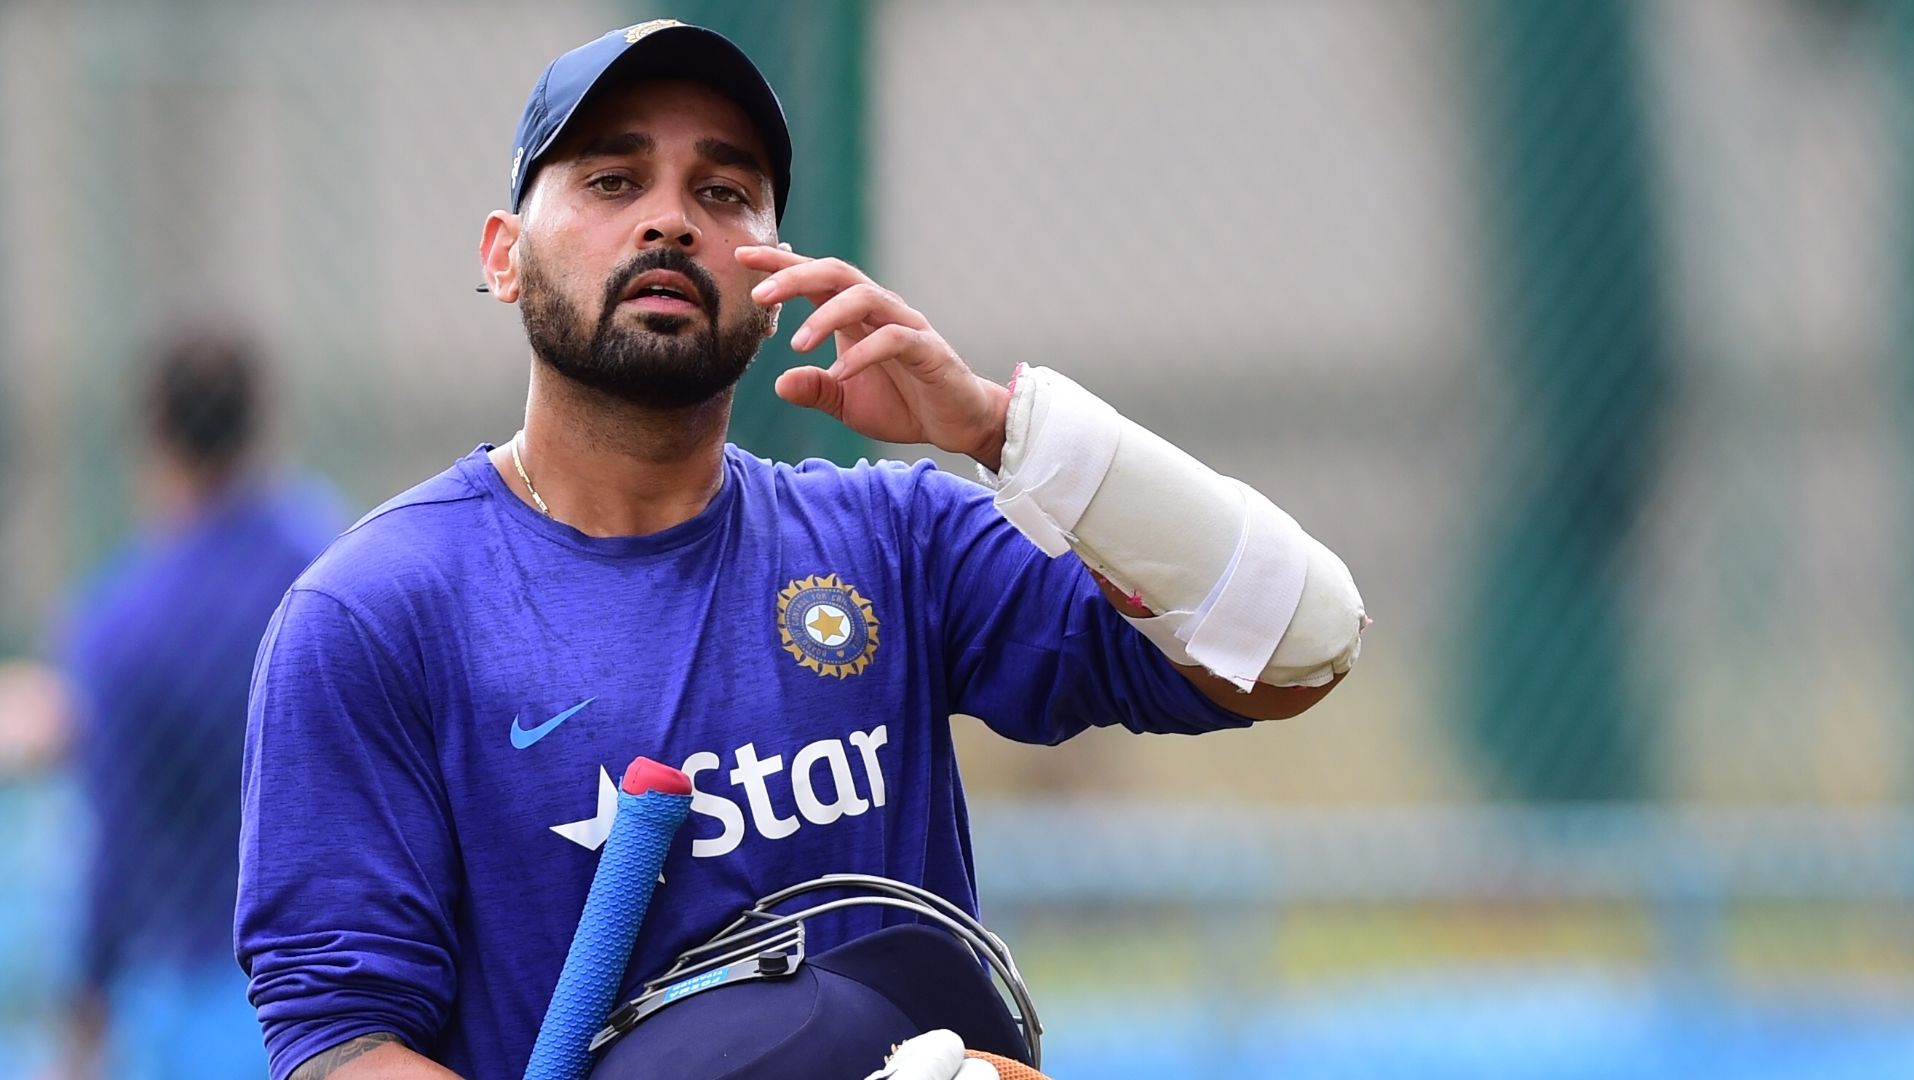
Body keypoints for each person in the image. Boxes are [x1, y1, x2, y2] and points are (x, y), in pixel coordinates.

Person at [237, 20, 1367, 1080]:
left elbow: (1296, 647)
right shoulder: (375, 612)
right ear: (504, 255)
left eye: (723, 190)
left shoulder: (897, 542)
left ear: (775, 275)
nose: (671, 220)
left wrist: (996, 427)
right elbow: (339, 1039)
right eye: (613, 180)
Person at [53, 332, 340, 1080]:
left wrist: (84, 1018)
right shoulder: (338, 566)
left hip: (197, 1009)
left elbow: (112, 849)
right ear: (261, 420)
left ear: (155, 435)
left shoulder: (118, 623)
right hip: (345, 987)